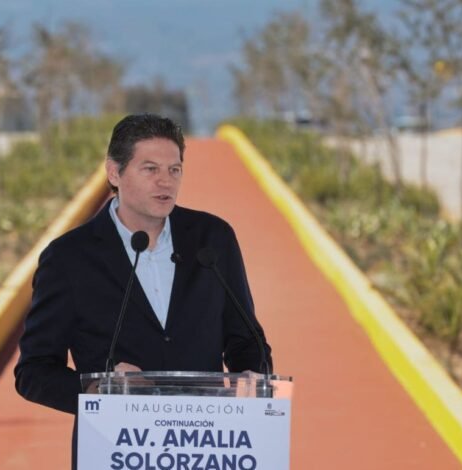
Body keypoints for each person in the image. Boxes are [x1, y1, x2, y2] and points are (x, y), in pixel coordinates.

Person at [14, 113, 272, 467]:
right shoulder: (69, 258)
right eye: (150, 169)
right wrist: (98, 391)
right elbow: (34, 371)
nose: (165, 181)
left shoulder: (213, 239)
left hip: (206, 447)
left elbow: (247, 340)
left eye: (174, 170)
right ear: (114, 172)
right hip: (115, 450)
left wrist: (252, 376)